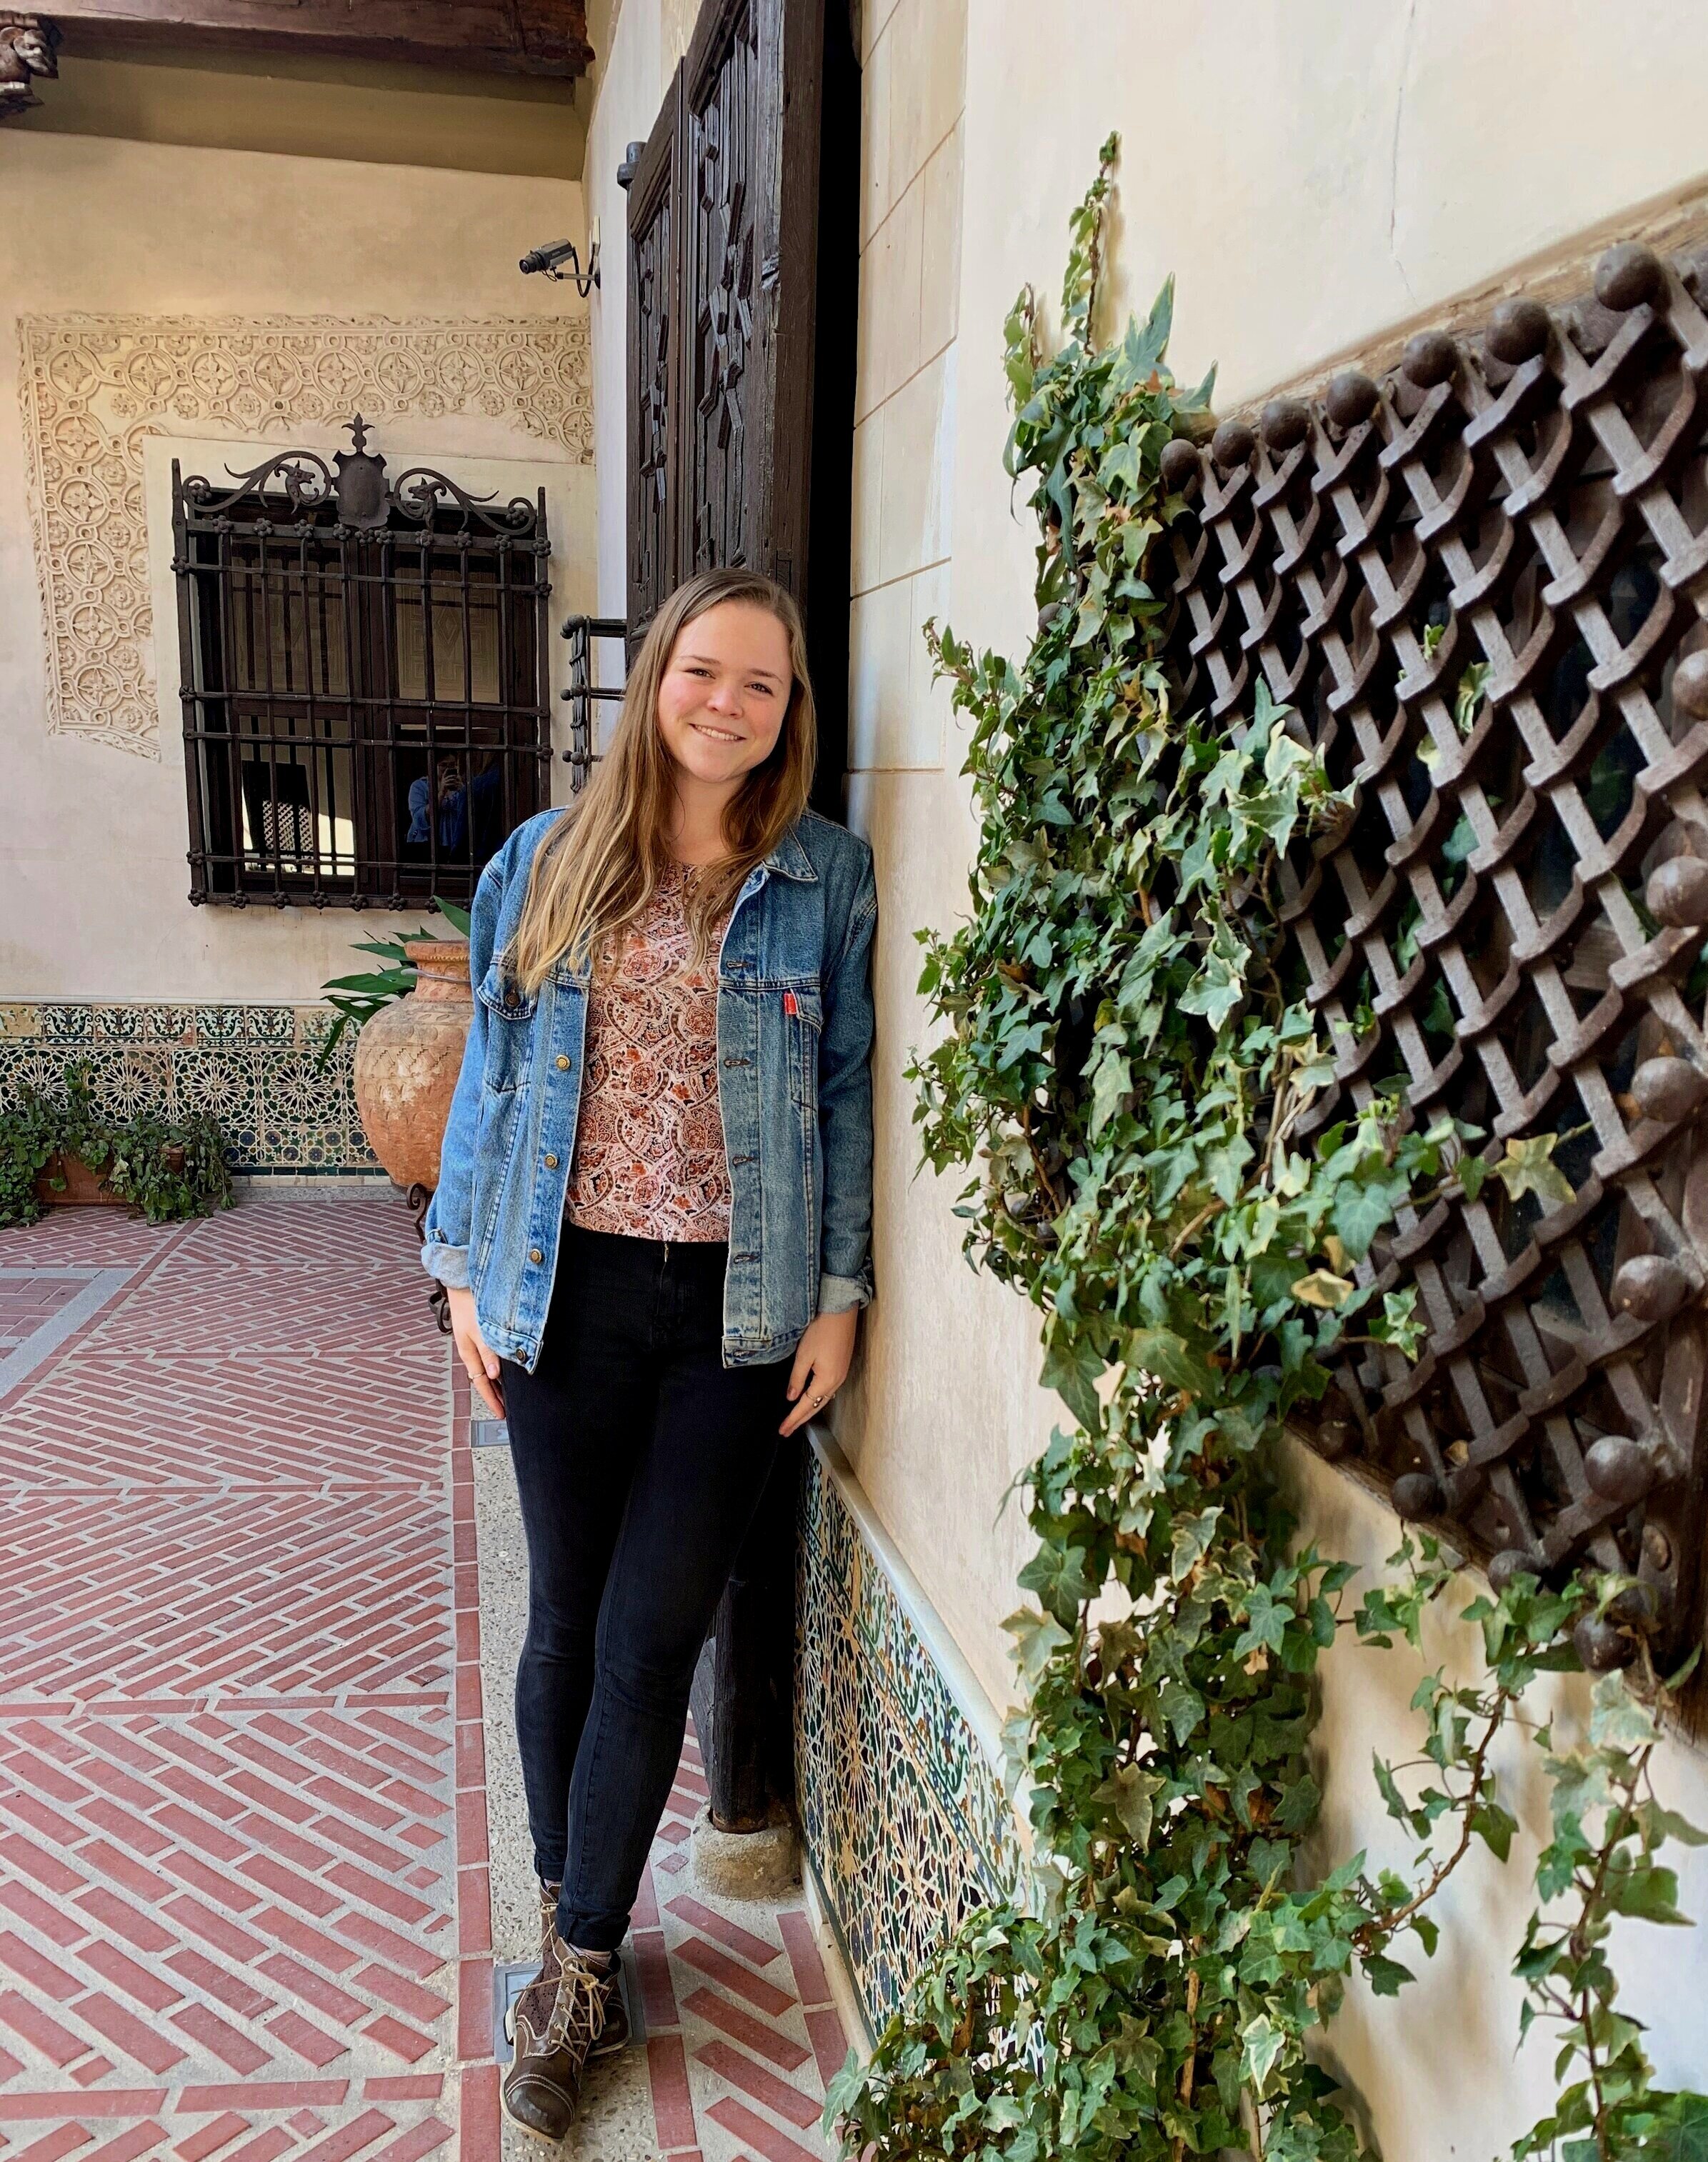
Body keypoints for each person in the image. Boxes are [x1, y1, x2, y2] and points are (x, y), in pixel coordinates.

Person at [420, 566, 877, 2141]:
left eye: (761, 683)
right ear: (656, 680)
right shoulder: (543, 861)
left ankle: (580, 1961)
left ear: (788, 711)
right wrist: (461, 1274)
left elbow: (838, 1095)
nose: (728, 703)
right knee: (565, 1617)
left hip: (736, 1318)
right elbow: (488, 1073)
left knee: (647, 1631)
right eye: (703, 670)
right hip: (563, 1295)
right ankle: (578, 1930)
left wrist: (837, 1289)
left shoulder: (825, 877)